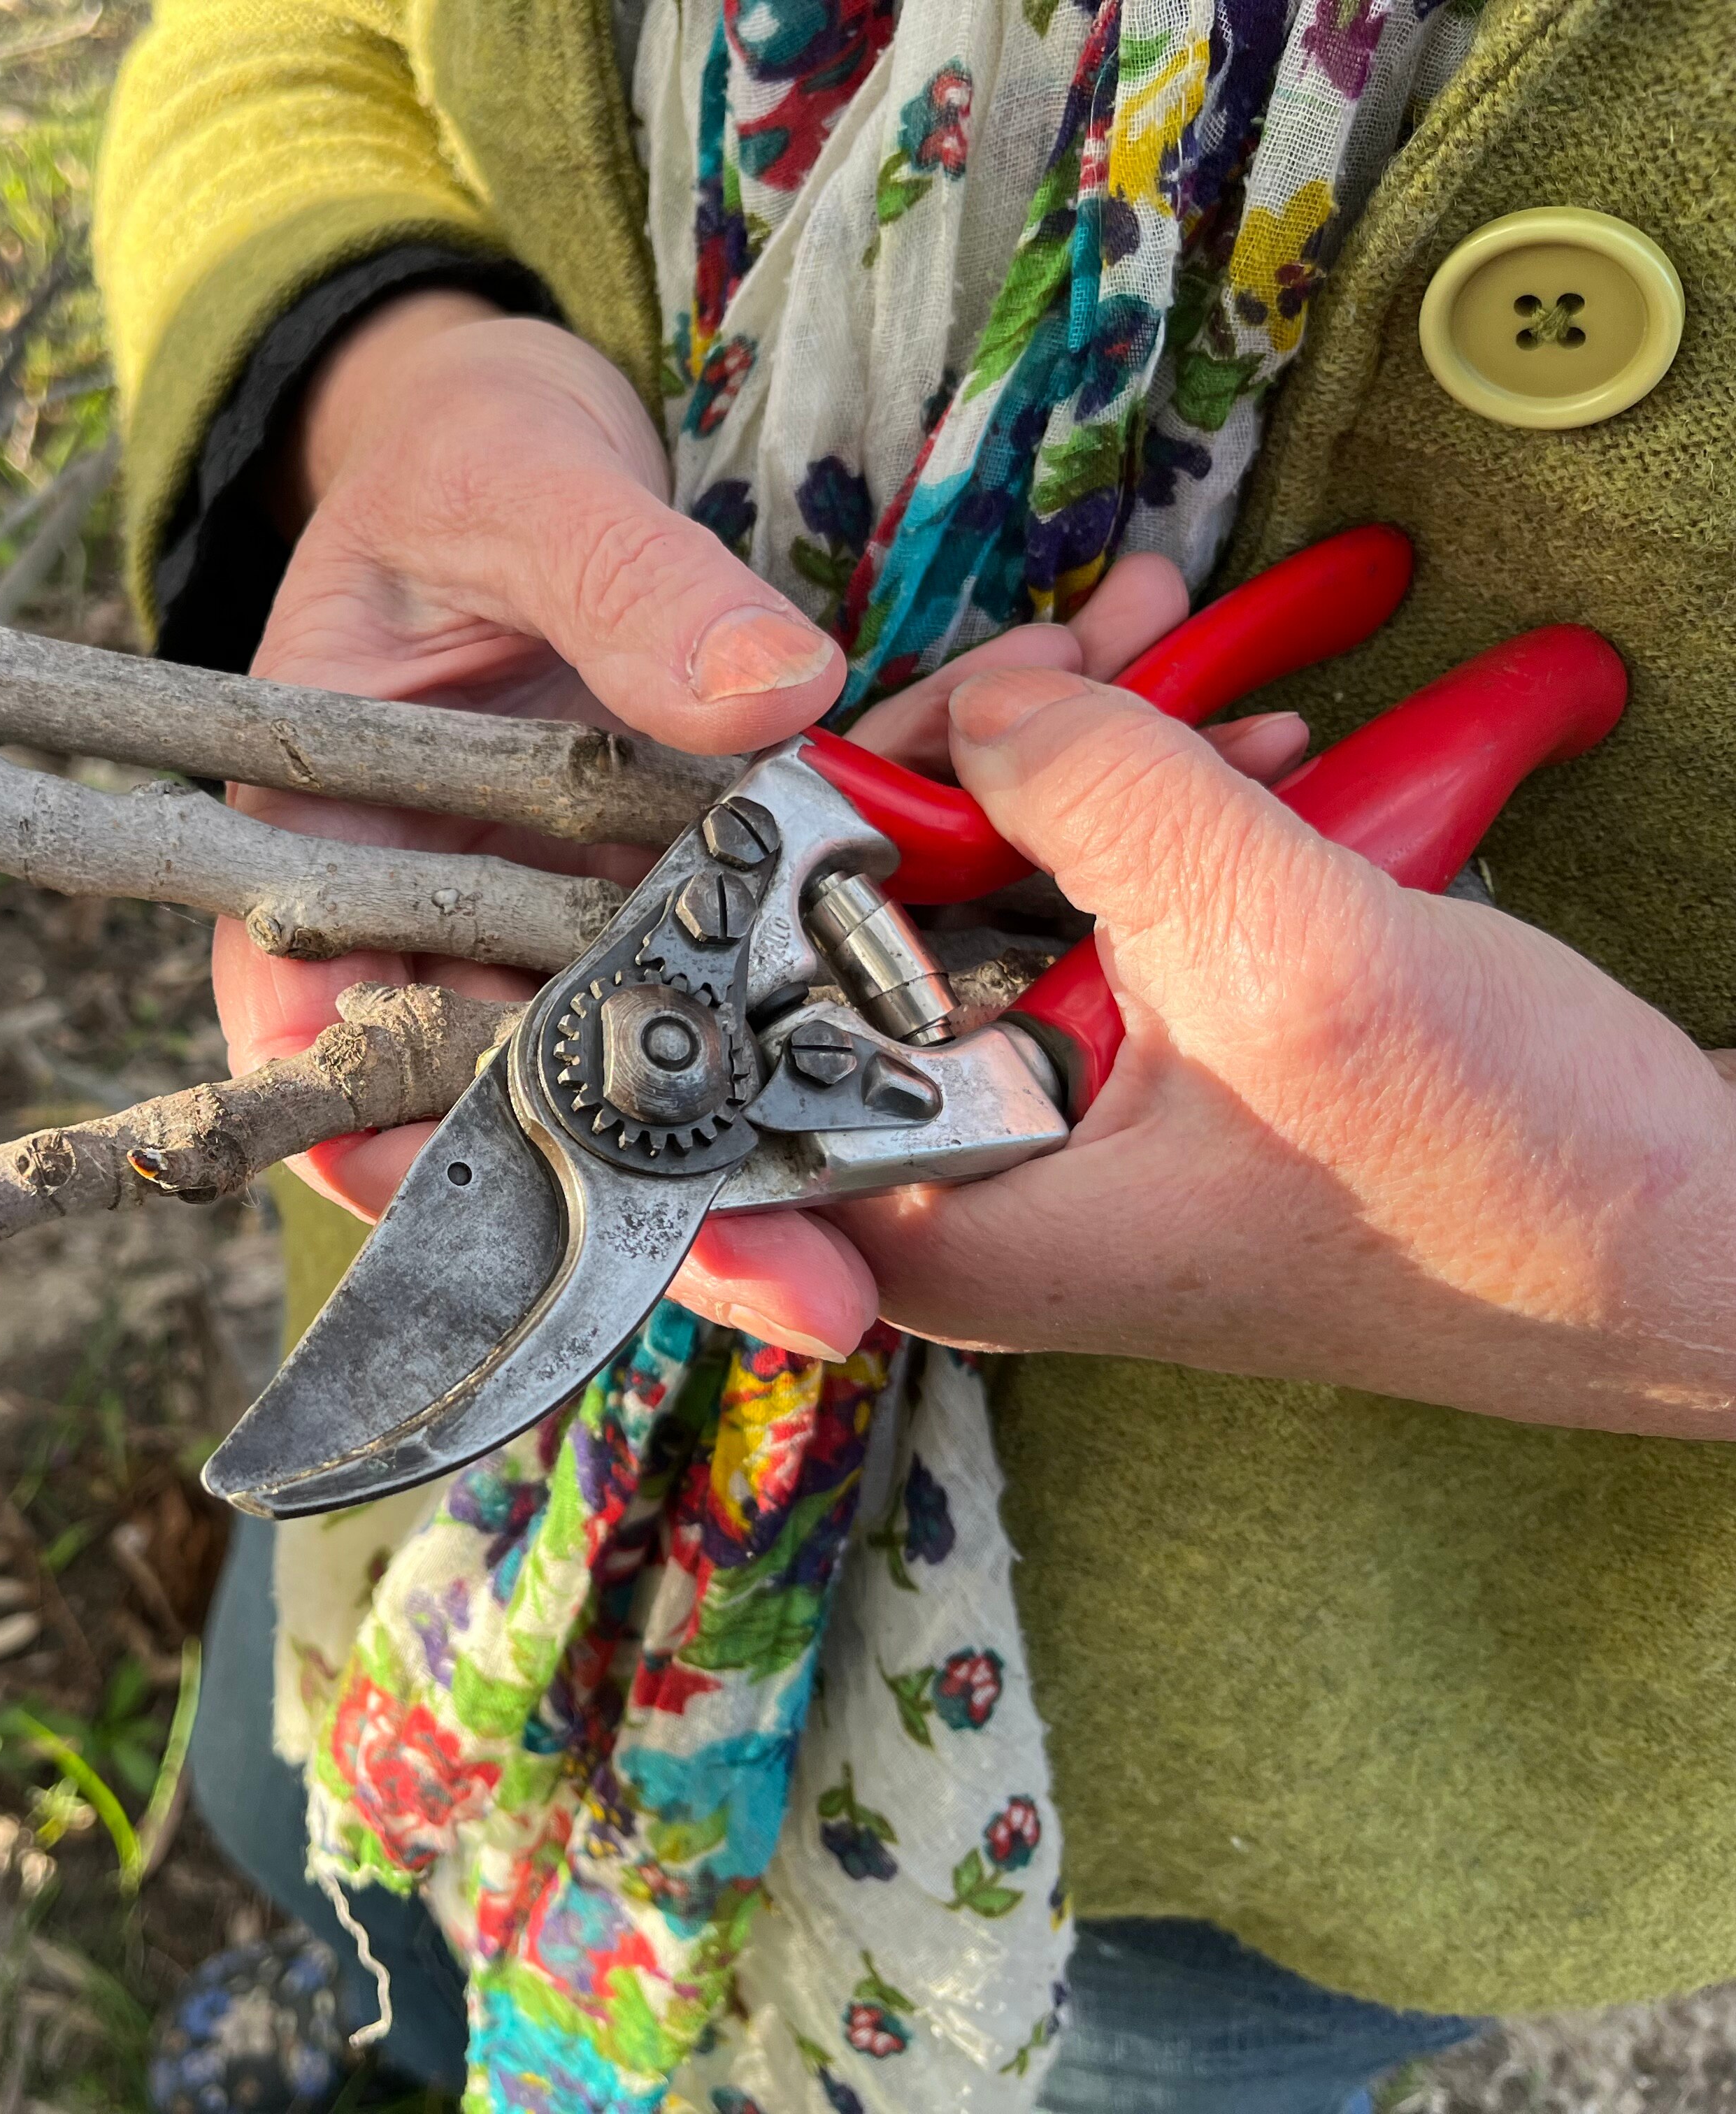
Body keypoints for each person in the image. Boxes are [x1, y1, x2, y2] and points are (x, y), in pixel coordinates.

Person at [96, 0, 1736, 2107]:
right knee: (326, 1827)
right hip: (484, 1487)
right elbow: (284, 44)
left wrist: (1652, 1263)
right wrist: (395, 375)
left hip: (1295, 1771)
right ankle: (390, 2020)